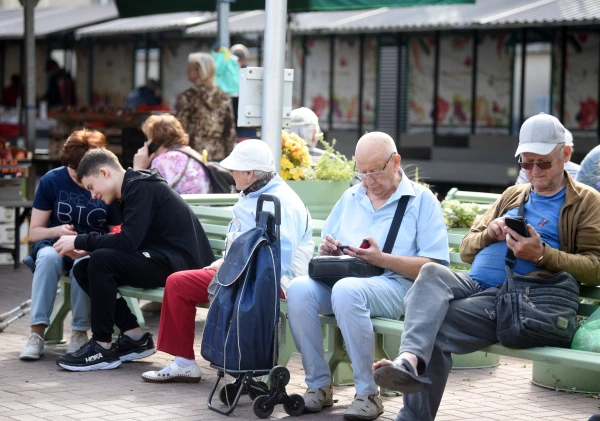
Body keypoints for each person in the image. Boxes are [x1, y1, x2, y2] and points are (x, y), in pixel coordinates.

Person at [372, 113, 600, 421]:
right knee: (430, 272)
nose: (533, 171)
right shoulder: (513, 195)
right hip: (475, 284)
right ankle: (410, 360)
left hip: (519, 297)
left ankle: (410, 401)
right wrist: (488, 233)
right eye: (525, 163)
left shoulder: (586, 202)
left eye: (542, 163)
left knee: (434, 325)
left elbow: (595, 267)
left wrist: (542, 254)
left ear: (566, 154)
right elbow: (466, 250)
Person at [286, 132, 449, 421]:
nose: (368, 181)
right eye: (362, 172)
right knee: (299, 289)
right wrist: (330, 249)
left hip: (398, 286)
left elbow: (435, 267)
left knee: (348, 291)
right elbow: (330, 241)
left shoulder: (421, 201)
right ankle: (319, 385)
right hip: (347, 282)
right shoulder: (351, 196)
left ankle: (367, 393)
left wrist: (382, 259)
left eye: (375, 171)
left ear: (395, 162)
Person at [140, 139, 314, 383]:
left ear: (250, 173)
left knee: (187, 285)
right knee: (178, 283)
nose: (230, 172)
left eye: (235, 168)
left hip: (273, 282)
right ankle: (184, 362)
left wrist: (229, 267)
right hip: (241, 273)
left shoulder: (282, 201)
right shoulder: (256, 191)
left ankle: (242, 366)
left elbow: (277, 262)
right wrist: (224, 264)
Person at [53, 149, 215, 371]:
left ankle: (102, 346)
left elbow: (128, 242)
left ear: (104, 172)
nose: (93, 195)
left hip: (180, 267)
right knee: (84, 266)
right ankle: (134, 337)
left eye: (91, 187)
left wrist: (81, 241)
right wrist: (87, 250)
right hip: (163, 258)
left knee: (101, 260)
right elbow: (130, 240)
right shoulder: (132, 188)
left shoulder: (140, 187)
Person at [19, 130, 122, 361]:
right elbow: (35, 232)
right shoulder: (52, 180)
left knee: (85, 264)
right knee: (47, 259)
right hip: (54, 244)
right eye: (74, 170)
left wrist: (90, 245)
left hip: (92, 248)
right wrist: (58, 231)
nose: (79, 176)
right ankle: (36, 334)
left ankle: (79, 332)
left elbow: (116, 230)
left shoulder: (109, 183)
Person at [175, 52, 236, 161]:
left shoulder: (189, 96)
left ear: (200, 71)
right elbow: (229, 130)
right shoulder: (223, 96)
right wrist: (230, 156)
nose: (187, 71)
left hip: (193, 154)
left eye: (190, 68)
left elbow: (181, 128)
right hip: (218, 153)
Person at [132, 114, 212, 194]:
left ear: (155, 142)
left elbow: (142, 196)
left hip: (185, 206)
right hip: (202, 206)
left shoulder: (163, 161)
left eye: (149, 138)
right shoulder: (194, 154)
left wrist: (138, 167)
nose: (147, 143)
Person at [230, 44, 257, 141]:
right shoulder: (253, 74)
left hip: (233, 126)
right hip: (249, 125)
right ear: (246, 59)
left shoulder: (227, 73)